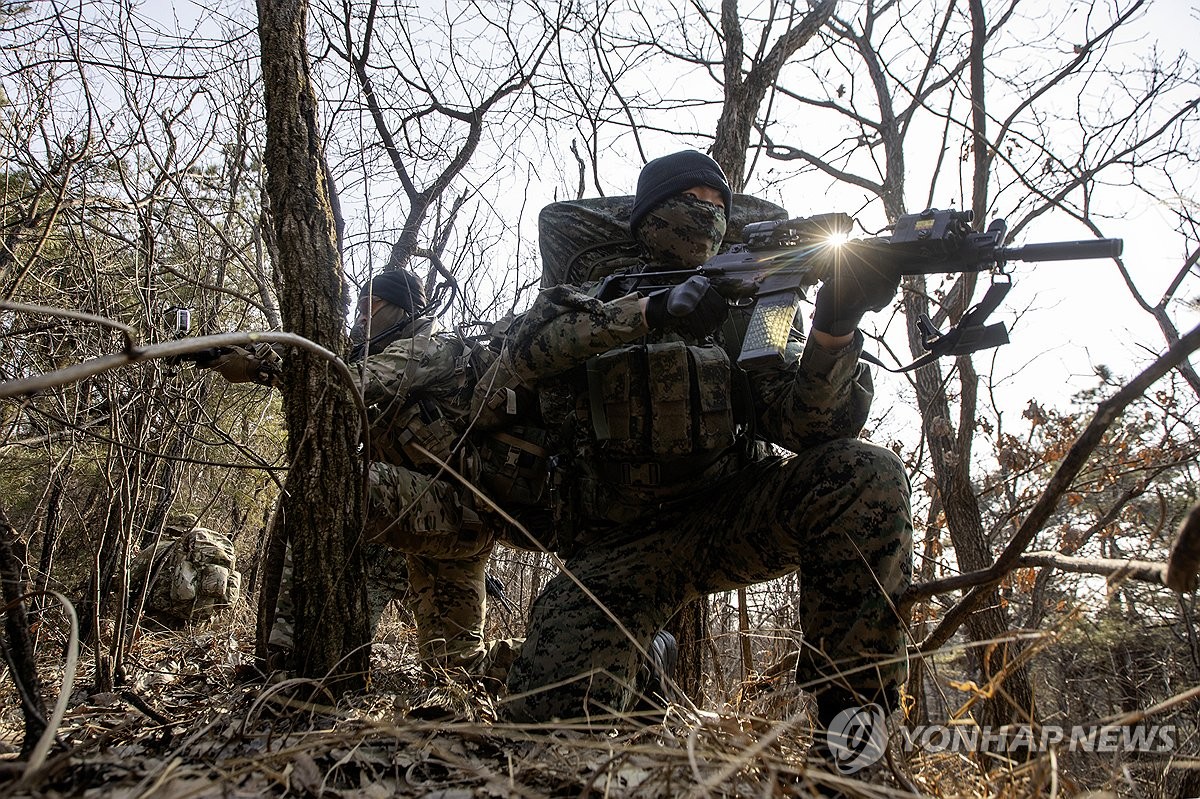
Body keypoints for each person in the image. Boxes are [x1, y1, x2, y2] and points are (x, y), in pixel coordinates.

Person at [473, 150, 913, 740]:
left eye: (717, 207)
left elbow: (805, 427)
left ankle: (857, 740)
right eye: (689, 202)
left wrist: (835, 327)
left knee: (864, 473)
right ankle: (647, 658)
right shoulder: (586, 294)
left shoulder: (762, 308)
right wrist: (651, 311)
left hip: (726, 516)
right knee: (546, 730)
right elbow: (523, 354)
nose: (704, 216)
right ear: (649, 214)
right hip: (618, 547)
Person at [202, 269, 530, 682]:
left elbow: (346, 386)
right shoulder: (386, 350)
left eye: (370, 306)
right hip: (448, 517)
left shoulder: (425, 349)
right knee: (458, 669)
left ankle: (289, 659)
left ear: (399, 309)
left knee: (334, 483)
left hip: (460, 509)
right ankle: (569, 665)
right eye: (359, 306)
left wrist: (265, 368)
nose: (360, 317)